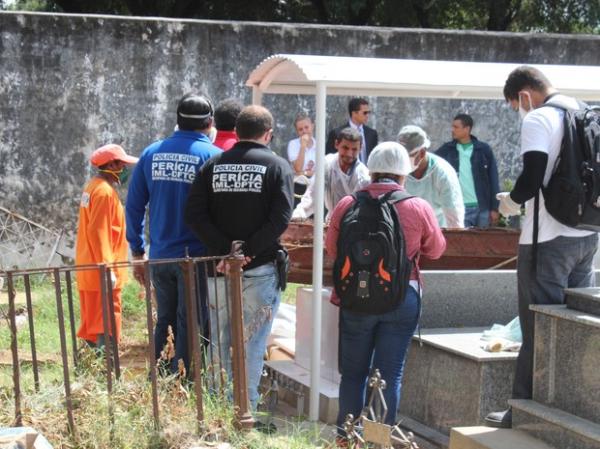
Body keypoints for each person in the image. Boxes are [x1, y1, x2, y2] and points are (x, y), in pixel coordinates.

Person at [485, 66, 598, 428]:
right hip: (588, 234)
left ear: (523, 96)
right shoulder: (587, 113)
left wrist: (509, 202)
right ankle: (572, 408)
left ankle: (521, 412)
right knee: (574, 329)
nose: (518, 111)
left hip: (546, 238)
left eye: (514, 105)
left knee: (537, 327)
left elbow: (532, 178)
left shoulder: (539, 118)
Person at [326, 142, 446, 443]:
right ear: (403, 175)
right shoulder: (417, 206)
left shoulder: (347, 204)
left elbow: (332, 249)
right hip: (401, 298)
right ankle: (379, 440)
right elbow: (437, 249)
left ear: (372, 170)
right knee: (389, 374)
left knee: (352, 373)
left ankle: (346, 438)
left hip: (356, 298)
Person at [184, 105, 294, 414]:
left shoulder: (212, 165)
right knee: (252, 342)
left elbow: (194, 215)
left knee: (218, 340)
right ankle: (244, 411)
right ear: (268, 134)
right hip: (259, 268)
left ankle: (218, 408)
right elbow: (280, 219)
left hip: (217, 268)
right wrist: (246, 253)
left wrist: (225, 251)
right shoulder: (277, 166)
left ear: (235, 130)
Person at [126, 93, 221, 374]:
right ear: (209, 122)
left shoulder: (152, 153)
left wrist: (137, 251)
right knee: (190, 321)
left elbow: (133, 207)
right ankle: (185, 385)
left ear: (177, 120)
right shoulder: (213, 156)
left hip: (160, 257)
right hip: (196, 258)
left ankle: (160, 380)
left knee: (165, 319)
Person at [75, 144, 138, 349]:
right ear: (111, 165)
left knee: (95, 321)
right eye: (122, 164)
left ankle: (96, 369)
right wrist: (107, 268)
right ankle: (107, 370)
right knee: (105, 322)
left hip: (90, 268)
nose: (125, 168)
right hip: (100, 270)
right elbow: (99, 231)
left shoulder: (93, 187)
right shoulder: (103, 192)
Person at [292, 127, 370, 222]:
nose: (349, 154)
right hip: (330, 223)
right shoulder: (327, 163)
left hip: (352, 226)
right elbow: (313, 194)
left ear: (360, 148)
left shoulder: (363, 176)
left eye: (354, 149)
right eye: (345, 148)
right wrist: (299, 214)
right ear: (336, 144)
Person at [436, 114, 500, 227]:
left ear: (467, 129)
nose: (452, 130)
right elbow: (431, 164)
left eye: (456, 127)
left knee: (483, 243)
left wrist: (495, 208)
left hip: (482, 208)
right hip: (458, 208)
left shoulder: (483, 150)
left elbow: (493, 178)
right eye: (452, 126)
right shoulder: (447, 150)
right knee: (461, 243)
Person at [398, 125, 464, 228]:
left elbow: (454, 215)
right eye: (402, 156)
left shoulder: (443, 173)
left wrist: (455, 239)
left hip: (438, 231)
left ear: (422, 152)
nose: (405, 160)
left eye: (409, 156)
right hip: (407, 231)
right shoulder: (399, 170)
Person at [326, 97, 378, 163]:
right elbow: (329, 159)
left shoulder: (372, 134)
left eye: (368, 112)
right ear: (354, 113)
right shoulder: (337, 133)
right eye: (365, 113)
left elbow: (375, 158)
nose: (367, 115)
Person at [287, 113, 316, 178]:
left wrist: (303, 173)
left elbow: (320, 172)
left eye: (306, 127)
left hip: (315, 184)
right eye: (300, 129)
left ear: (312, 126)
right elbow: (298, 169)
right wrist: (303, 146)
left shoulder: (318, 145)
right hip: (299, 184)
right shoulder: (292, 144)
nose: (304, 131)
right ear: (297, 131)